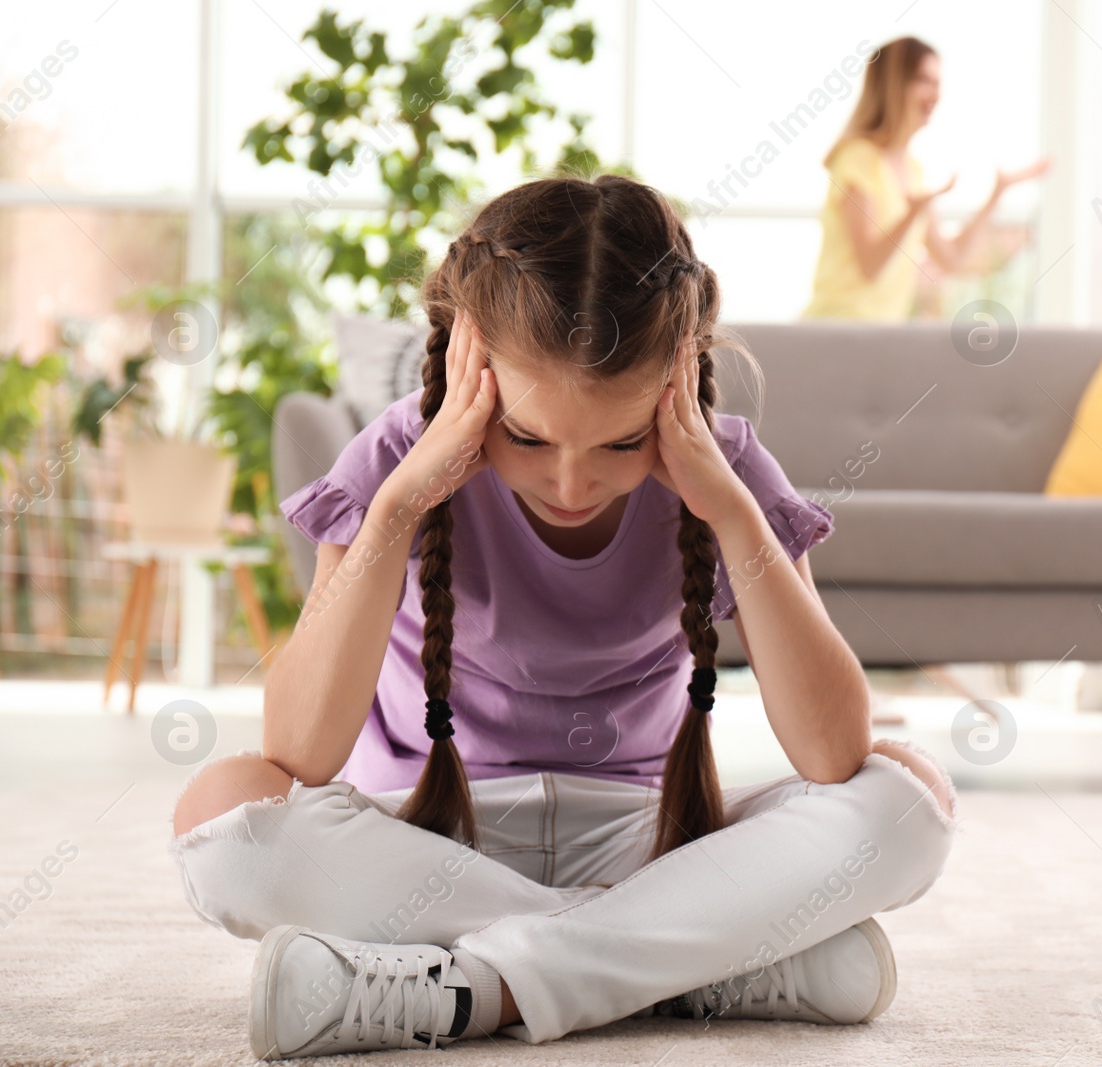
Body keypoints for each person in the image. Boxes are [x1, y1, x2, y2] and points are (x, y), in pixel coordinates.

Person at [168, 174, 959, 1059]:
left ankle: (478, 986)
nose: (573, 484)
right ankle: (687, 961)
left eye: (621, 442)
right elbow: (302, 752)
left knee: (908, 797)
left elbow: (833, 752)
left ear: (680, 371)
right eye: (529, 438)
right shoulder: (398, 459)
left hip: (646, 838)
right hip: (426, 841)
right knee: (222, 810)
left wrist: (733, 515)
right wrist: (396, 510)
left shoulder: (724, 473)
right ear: (470, 361)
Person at [801, 35, 1049, 321]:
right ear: (894, 85)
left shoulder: (913, 171)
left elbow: (951, 258)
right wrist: (913, 212)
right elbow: (869, 265)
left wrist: (997, 194)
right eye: (923, 81)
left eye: (937, 83)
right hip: (836, 326)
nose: (934, 94)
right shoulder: (857, 159)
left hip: (880, 334)